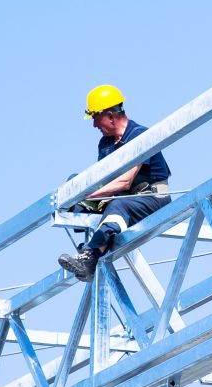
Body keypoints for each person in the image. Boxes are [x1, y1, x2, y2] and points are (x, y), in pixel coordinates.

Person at [58, 85, 173, 281]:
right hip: (121, 198)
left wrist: (88, 195)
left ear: (111, 116)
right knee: (74, 187)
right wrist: (76, 196)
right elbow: (101, 181)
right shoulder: (106, 144)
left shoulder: (139, 136)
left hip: (151, 197)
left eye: (95, 117)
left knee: (118, 206)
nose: (94, 124)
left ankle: (91, 255)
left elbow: (126, 181)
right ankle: (92, 247)